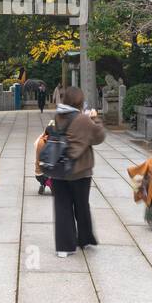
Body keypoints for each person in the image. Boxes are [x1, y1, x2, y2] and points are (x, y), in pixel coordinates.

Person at [45, 85, 105, 257]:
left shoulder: (58, 116)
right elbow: (98, 137)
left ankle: (64, 247)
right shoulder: (83, 119)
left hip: (58, 168)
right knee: (81, 205)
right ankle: (85, 239)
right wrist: (95, 119)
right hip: (80, 170)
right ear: (80, 101)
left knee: (62, 206)